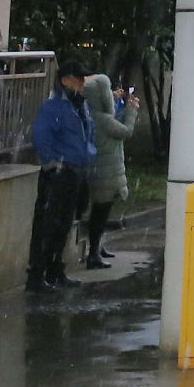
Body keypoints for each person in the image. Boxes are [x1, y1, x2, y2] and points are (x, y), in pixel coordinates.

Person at [27, 61, 95, 292]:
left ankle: (55, 270)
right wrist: (55, 162)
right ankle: (38, 275)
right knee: (48, 225)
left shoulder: (79, 105)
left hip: (75, 171)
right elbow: (41, 137)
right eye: (78, 78)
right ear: (65, 80)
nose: (82, 83)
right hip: (59, 173)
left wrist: (87, 156)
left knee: (64, 223)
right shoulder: (54, 107)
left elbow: (88, 134)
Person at [82, 74, 138, 269]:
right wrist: (131, 112)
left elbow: (116, 125)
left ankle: (97, 247)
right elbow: (124, 131)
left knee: (100, 212)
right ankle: (94, 252)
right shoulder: (102, 118)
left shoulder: (93, 114)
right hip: (105, 174)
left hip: (102, 171)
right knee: (100, 213)